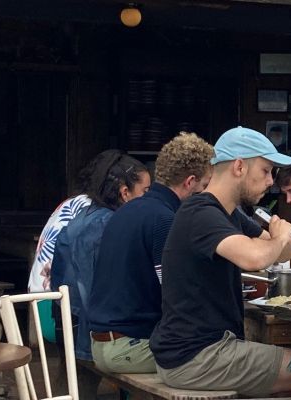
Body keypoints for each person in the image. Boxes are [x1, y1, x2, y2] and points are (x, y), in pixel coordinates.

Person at [151, 127, 291, 396]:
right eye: (266, 170)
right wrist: (279, 238)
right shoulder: (201, 212)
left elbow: (277, 250)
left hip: (201, 350)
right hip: (197, 356)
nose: (271, 181)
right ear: (238, 167)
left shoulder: (229, 213)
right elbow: (256, 257)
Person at [84, 133, 213, 374]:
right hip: (128, 347)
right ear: (190, 181)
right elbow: (175, 294)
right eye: (204, 186)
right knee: (220, 358)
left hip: (103, 342)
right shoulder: (164, 220)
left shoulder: (128, 210)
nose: (206, 193)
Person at [46, 150, 150, 362]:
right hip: (81, 324)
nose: (149, 199)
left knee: (72, 383)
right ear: (124, 192)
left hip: (65, 317)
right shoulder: (107, 226)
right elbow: (91, 289)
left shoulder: (88, 215)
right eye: (146, 191)